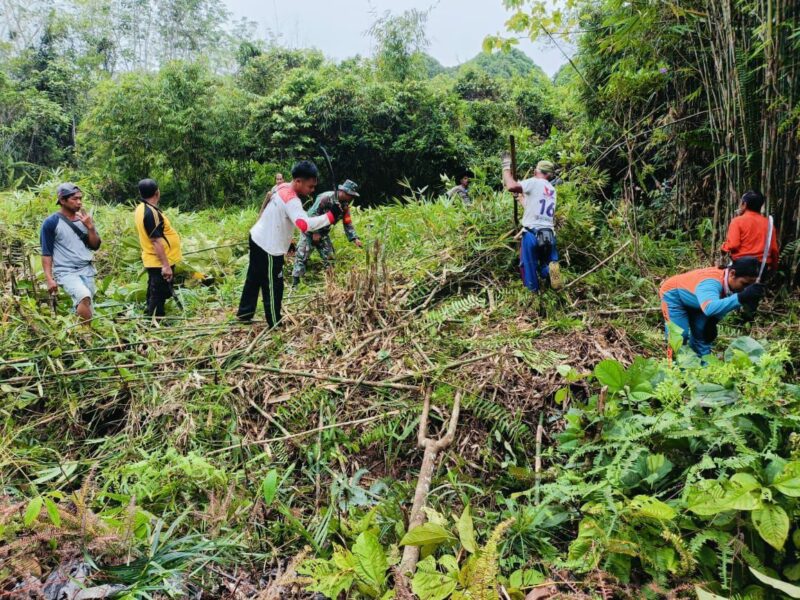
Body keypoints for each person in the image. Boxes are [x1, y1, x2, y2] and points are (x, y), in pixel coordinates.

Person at [237, 160, 343, 325]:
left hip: (257, 237)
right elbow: (304, 224)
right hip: (268, 246)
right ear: (298, 181)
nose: (313, 190)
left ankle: (244, 314)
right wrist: (330, 217)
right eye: (310, 186)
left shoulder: (282, 187)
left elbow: (280, 216)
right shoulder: (292, 200)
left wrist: (289, 241)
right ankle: (274, 323)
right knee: (273, 285)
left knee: (254, 277)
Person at [659, 257, 764, 358]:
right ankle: (673, 369)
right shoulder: (711, 283)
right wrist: (742, 297)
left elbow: (723, 303)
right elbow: (710, 308)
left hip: (698, 301)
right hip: (674, 296)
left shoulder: (730, 282)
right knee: (679, 336)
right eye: (744, 284)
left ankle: (703, 371)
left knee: (703, 335)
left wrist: (713, 321)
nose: (745, 289)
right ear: (732, 274)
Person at [40, 183, 102, 323]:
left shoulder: (84, 219)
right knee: (84, 296)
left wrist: (90, 227)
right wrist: (49, 278)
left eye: (80, 198)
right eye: (74, 199)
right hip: (66, 271)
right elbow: (46, 253)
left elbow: (95, 245)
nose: (79, 202)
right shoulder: (51, 223)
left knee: (86, 307)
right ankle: (87, 334)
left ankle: (77, 331)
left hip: (87, 269)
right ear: (62, 200)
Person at [502, 156, 562, 292]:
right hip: (549, 235)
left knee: (527, 267)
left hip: (532, 235)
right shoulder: (552, 190)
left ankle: (533, 296)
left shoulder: (535, 182)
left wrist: (506, 168)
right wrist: (520, 199)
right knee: (550, 263)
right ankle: (556, 287)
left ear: (537, 171)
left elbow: (511, 186)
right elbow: (534, 209)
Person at [292, 179, 363, 287]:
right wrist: (315, 232)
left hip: (323, 233)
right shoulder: (325, 198)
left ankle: (331, 284)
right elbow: (311, 215)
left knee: (330, 258)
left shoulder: (345, 206)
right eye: (351, 195)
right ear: (345, 192)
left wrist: (354, 238)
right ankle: (296, 284)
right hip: (309, 231)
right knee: (302, 256)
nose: (352, 198)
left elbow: (347, 222)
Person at [134, 179, 183, 317]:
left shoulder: (141, 208)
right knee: (159, 292)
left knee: (154, 288)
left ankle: (149, 313)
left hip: (154, 258)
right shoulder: (150, 213)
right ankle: (155, 320)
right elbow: (155, 241)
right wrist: (166, 266)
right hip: (159, 260)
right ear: (157, 192)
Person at [721, 190, 779, 274]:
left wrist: (723, 247)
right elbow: (774, 250)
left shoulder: (737, 221)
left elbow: (734, 244)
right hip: (762, 267)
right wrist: (774, 267)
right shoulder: (769, 224)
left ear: (744, 204)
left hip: (742, 266)